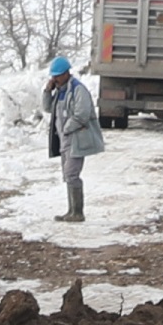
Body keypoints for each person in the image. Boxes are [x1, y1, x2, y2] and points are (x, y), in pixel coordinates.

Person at [45, 54, 103, 221]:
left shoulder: (78, 90)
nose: (54, 79)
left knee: (71, 174)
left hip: (76, 139)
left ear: (65, 74)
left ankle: (78, 212)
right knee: (67, 175)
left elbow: (82, 114)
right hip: (65, 140)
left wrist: (67, 128)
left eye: (56, 76)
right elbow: (47, 108)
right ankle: (71, 211)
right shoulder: (60, 92)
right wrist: (47, 91)